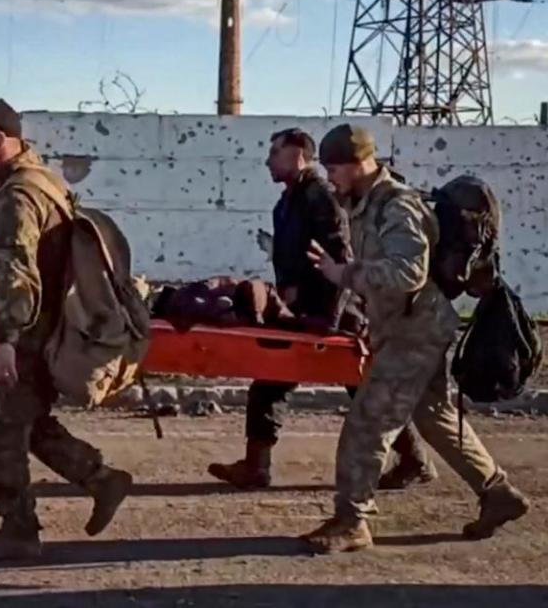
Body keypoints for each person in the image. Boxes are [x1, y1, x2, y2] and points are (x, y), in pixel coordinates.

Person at [302, 124, 529, 553]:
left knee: (368, 424)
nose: (329, 177)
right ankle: (499, 494)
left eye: (334, 168)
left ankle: (353, 521)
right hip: (409, 326)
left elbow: (408, 274)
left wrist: (343, 274)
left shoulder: (397, 206)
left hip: (416, 332)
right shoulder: (366, 203)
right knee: (434, 417)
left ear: (357, 164)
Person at [0, 98, 132, 560]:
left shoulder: (16, 193)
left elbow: (19, 274)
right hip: (50, 323)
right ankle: (100, 477)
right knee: (25, 422)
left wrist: (3, 340)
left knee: (0, 428)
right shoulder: (44, 180)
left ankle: (20, 530)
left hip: (29, 328)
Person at [208, 128, 435, 490]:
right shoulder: (288, 202)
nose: (269, 161)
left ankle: (411, 460)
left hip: (331, 315)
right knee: (282, 381)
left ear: (298, 154)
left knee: (350, 383)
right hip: (302, 313)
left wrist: (328, 320)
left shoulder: (320, 197)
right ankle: (257, 466)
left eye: (275, 153)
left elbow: (342, 258)